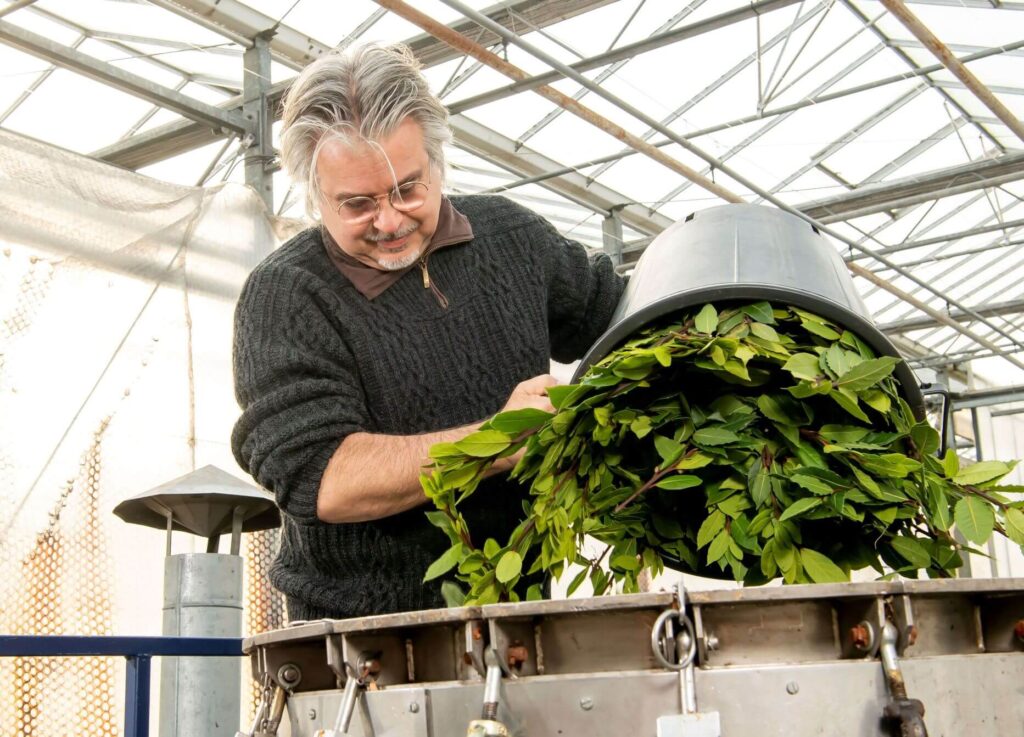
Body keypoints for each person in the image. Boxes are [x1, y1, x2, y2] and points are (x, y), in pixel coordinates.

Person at [231, 42, 624, 621]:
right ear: (315, 195)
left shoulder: (513, 239)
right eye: (357, 204)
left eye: (407, 189)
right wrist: (496, 439)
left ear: (438, 164)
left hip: (518, 614)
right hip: (358, 644)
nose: (389, 221)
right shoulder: (287, 295)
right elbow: (325, 478)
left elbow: (621, 318)